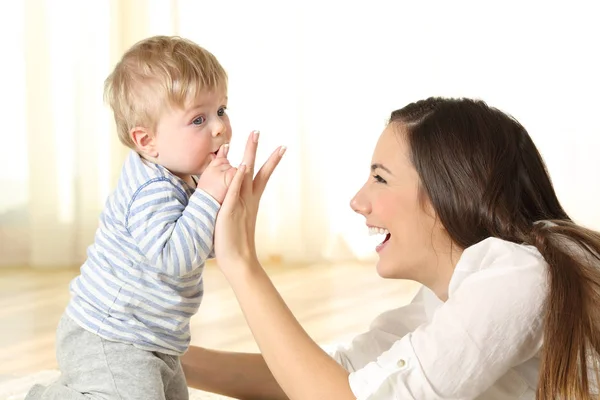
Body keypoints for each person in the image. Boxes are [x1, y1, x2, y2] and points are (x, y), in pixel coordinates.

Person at [183, 97, 600, 399]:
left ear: (447, 194)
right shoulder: (456, 293)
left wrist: (242, 264)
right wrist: (165, 354)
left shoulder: (520, 277)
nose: (358, 201)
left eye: (380, 179)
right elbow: (336, 377)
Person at [26, 35, 237, 400]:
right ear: (147, 140)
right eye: (198, 119)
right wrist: (208, 196)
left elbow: (203, 246)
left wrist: (228, 203)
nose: (219, 127)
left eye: (221, 110)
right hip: (110, 334)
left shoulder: (182, 175)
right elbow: (175, 258)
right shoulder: (151, 190)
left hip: (155, 336)